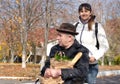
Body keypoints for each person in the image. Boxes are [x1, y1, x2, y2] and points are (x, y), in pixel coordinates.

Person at [74, 3, 109, 84]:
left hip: (90, 64)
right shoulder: (75, 25)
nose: (84, 13)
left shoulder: (97, 26)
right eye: (81, 11)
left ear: (90, 12)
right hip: (76, 63)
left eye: (86, 11)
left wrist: (95, 57)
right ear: (79, 13)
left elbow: (105, 45)